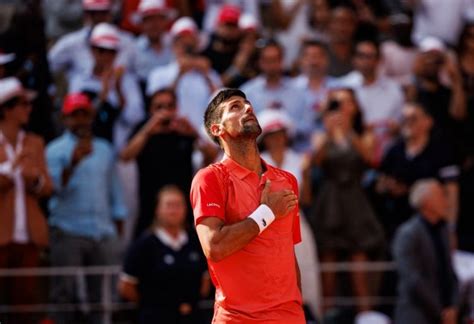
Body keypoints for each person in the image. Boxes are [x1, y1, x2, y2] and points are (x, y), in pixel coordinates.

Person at [190, 89, 305, 323]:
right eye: (235, 107)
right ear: (217, 129)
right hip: (237, 318)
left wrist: (297, 307)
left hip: (289, 316)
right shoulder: (209, 178)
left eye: (247, 104)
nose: (247, 108)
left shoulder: (287, 180)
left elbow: (288, 255)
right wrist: (268, 212)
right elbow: (214, 246)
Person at [46, 93, 127, 324]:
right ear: (65, 119)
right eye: (75, 115)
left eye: (85, 114)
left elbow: (115, 191)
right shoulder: (54, 150)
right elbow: (53, 190)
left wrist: (118, 225)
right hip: (67, 229)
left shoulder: (104, 149)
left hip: (102, 231)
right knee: (64, 293)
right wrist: (73, 162)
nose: (80, 120)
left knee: (101, 296)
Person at [308, 87, 384, 314]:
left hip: (355, 202)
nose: (341, 109)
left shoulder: (364, 133)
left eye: (346, 103)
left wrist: (349, 131)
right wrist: (330, 132)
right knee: (328, 268)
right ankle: (326, 317)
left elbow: (369, 159)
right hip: (330, 203)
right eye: (336, 104)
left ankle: (366, 317)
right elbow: (317, 162)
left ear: (355, 107)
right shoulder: (322, 134)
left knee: (358, 266)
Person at [120, 87, 217, 236]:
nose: (165, 111)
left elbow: (211, 155)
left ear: (176, 107)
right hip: (150, 205)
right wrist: (148, 130)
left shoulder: (183, 130)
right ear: (150, 109)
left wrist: (195, 133)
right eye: (159, 107)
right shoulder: (143, 129)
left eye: (170, 106)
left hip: (182, 206)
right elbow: (125, 156)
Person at [0, 77, 53, 324]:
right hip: (1, 236)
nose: (28, 109)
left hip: (28, 236)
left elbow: (47, 187)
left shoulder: (35, 142)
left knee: (24, 307)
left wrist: (34, 181)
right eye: (23, 104)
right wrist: (11, 169)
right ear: (6, 108)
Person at [118, 185, 208, 324]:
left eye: (178, 205)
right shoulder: (144, 244)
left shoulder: (195, 241)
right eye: (169, 205)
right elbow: (126, 286)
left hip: (192, 318)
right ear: (157, 209)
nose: (174, 210)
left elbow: (205, 281)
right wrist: (154, 305)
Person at [392, 179, 459, 324]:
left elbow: (450, 272)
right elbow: (413, 280)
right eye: (441, 196)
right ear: (427, 202)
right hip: (416, 315)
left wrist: (453, 307)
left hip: (446, 314)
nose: (445, 201)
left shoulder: (444, 231)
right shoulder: (407, 234)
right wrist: (440, 310)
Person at [68, 22, 144, 149]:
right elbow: (75, 120)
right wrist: (101, 96)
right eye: (102, 50)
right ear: (92, 50)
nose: (106, 56)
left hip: (120, 151)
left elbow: (135, 118)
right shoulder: (79, 80)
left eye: (111, 51)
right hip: (87, 149)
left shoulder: (128, 80)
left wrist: (119, 90)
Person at [147, 17, 222, 131]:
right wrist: (179, 74)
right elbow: (158, 106)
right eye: (182, 43)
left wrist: (207, 75)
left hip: (204, 135)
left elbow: (222, 104)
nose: (186, 48)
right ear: (174, 45)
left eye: (190, 45)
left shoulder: (210, 74)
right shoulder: (158, 74)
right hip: (172, 134)